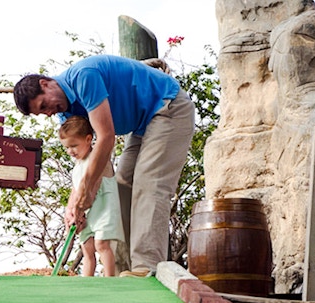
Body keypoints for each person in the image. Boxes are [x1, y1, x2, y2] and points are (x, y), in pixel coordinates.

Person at [14, 54, 195, 277]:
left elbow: (106, 137)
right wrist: (74, 208)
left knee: (149, 184)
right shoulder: (66, 115)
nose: (49, 112)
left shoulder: (84, 77)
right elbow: (88, 164)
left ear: (46, 83)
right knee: (121, 185)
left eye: (44, 105)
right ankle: (125, 268)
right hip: (141, 126)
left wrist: (86, 193)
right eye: (42, 113)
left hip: (167, 106)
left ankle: (147, 267)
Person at [58, 116, 121, 276]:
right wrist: (71, 210)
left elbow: (93, 186)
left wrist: (80, 209)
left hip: (104, 208)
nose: (70, 151)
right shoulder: (77, 167)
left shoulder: (98, 159)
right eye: (67, 148)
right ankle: (87, 282)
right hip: (86, 213)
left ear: (88, 139)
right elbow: (75, 189)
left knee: (101, 244)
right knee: (87, 248)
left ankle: (109, 280)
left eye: (74, 146)